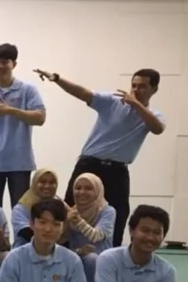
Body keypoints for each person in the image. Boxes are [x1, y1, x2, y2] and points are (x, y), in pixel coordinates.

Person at [33, 68, 165, 248]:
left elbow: (157, 128)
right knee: (69, 208)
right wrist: (57, 78)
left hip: (118, 170)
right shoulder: (113, 101)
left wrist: (136, 104)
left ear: (154, 89)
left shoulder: (153, 115)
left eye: (142, 86)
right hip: (90, 164)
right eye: (133, 85)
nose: (135, 90)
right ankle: (62, 251)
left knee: (118, 213)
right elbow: (84, 93)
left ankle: (112, 255)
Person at [0, 44, 46, 209]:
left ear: (14, 64)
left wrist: (12, 111)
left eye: (5, 62)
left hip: (20, 163)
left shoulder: (27, 90)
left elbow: (40, 118)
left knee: (21, 211)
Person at [66, 173, 115, 282]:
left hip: (102, 263)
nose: (82, 192)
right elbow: (65, 245)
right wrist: (80, 251)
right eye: (78, 188)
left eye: (88, 188)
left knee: (92, 259)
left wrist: (78, 220)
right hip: (77, 259)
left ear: (98, 191)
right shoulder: (70, 212)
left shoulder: (107, 211)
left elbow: (96, 236)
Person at [11, 169, 60, 249]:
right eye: (43, 182)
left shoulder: (60, 207)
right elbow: (26, 233)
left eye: (51, 183)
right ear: (34, 183)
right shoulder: (21, 208)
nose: (47, 186)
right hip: (24, 252)